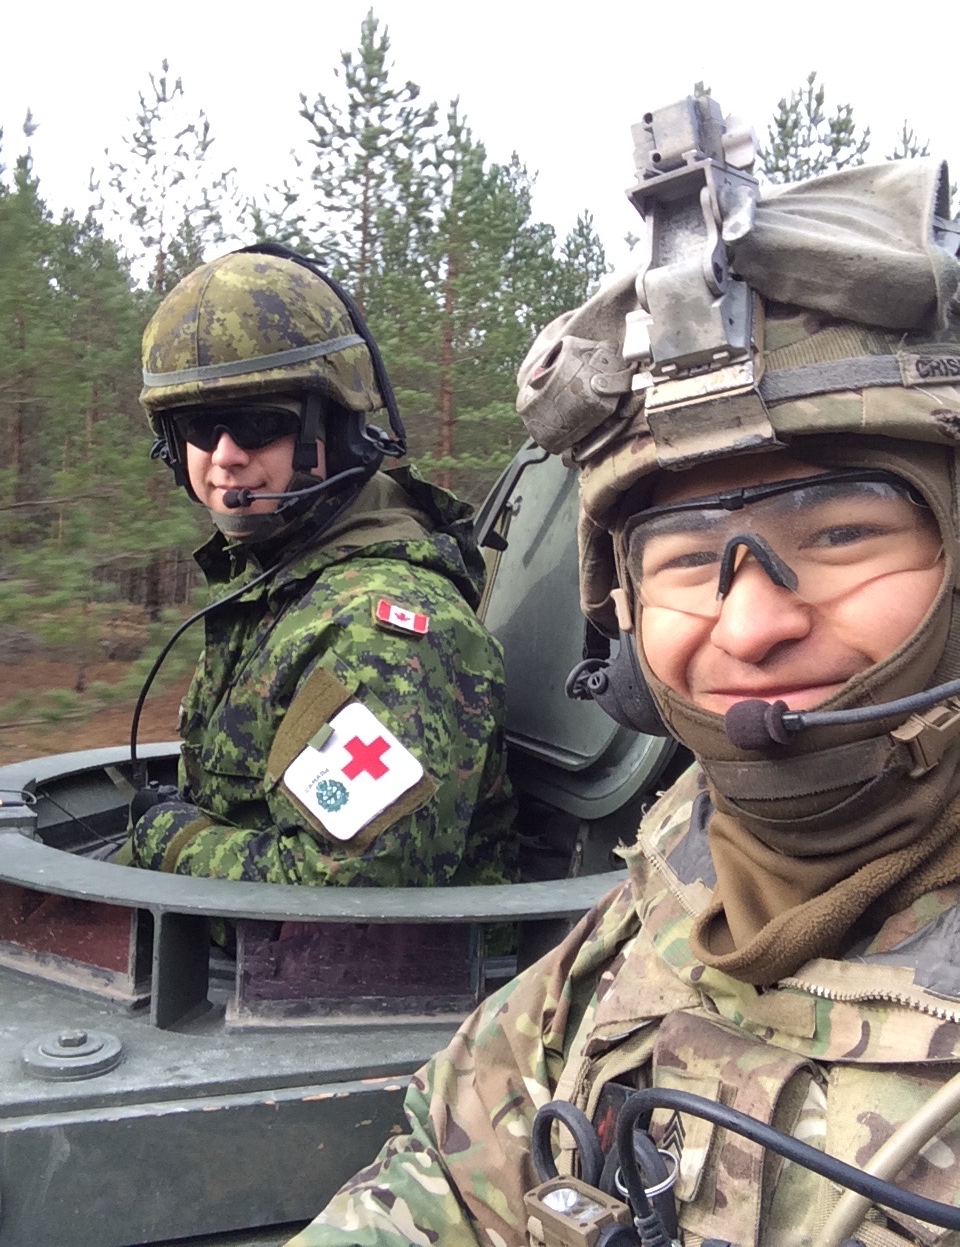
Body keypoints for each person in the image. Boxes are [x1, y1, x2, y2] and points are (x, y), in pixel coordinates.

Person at [285, 128, 960, 1245]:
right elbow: (454, 1172)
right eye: (692, 558)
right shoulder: (678, 868)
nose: (753, 622)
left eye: (841, 531)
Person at [127, 243, 515, 889]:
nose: (224, 457)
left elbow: (352, 892)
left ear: (331, 431)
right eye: (198, 427)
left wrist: (172, 840)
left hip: (373, 985)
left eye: (257, 424)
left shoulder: (378, 630)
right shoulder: (285, 584)